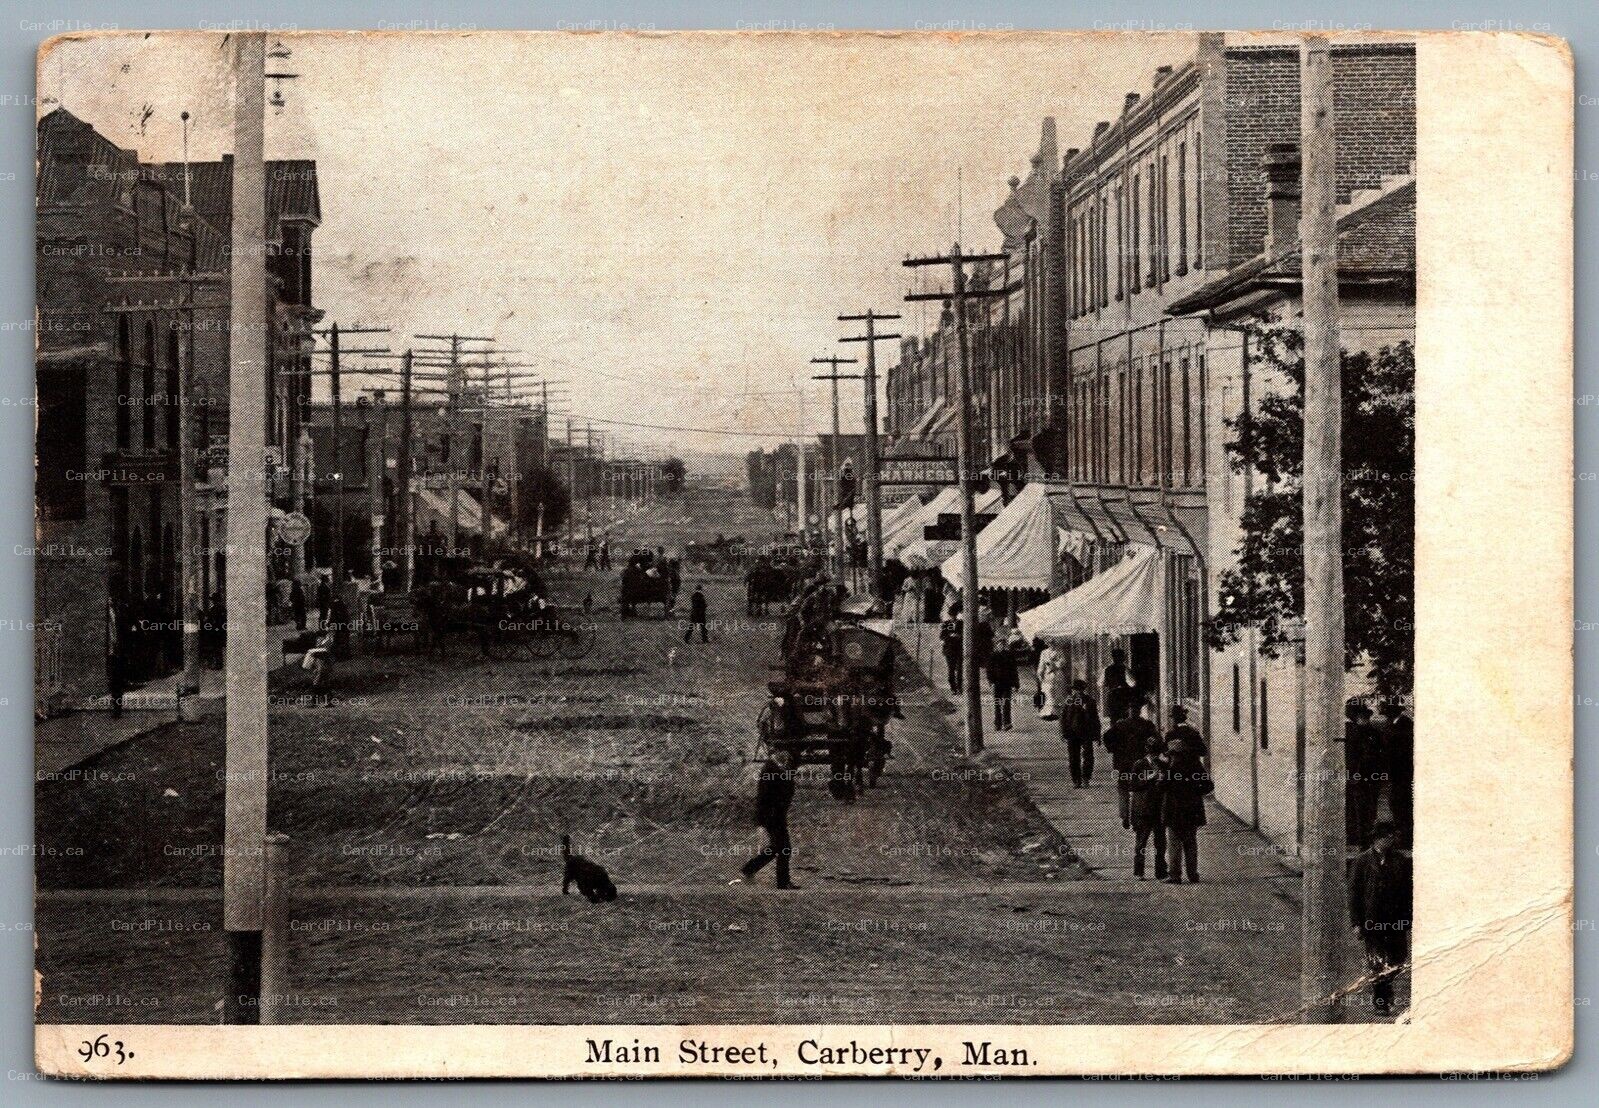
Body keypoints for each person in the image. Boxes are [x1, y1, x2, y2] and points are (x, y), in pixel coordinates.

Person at [1348, 820, 1411, 1015]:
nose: (1392, 840)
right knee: (1377, 962)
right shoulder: (1361, 861)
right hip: (1372, 921)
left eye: (1393, 837)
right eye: (1388, 837)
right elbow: (1354, 895)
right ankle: (1381, 1001)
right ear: (1378, 839)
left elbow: (1408, 892)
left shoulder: (1401, 860)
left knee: (1399, 959)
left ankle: (1387, 988)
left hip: (1395, 921)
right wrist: (1356, 923)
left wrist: (1407, 918)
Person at [737, 752, 798, 889]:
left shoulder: (776, 768)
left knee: (778, 847)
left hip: (775, 815)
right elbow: (767, 796)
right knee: (784, 848)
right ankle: (782, 882)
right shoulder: (771, 769)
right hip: (772, 816)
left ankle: (749, 869)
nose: (786, 757)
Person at [1160, 733, 1212, 884]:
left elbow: (1161, 787)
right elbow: (1208, 786)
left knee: (1174, 843)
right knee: (1190, 843)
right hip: (1192, 810)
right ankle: (1192, 874)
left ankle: (1175, 875)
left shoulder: (1171, 770)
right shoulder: (1195, 765)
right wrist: (1195, 793)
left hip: (1174, 810)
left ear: (1176, 755)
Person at [1104, 697, 1158, 829]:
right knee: (1139, 790)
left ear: (1129, 711)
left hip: (1123, 763)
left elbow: (1106, 737)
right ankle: (1135, 817)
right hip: (1141, 764)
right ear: (1139, 711)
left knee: (1123, 789)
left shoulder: (1120, 725)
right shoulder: (1147, 725)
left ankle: (1125, 816)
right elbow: (1156, 741)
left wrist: (1114, 749)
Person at [1126, 734, 1168, 880]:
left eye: (1157, 752)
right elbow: (1132, 785)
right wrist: (1150, 777)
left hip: (1158, 808)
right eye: (1152, 752)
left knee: (1161, 843)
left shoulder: (1163, 765)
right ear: (1147, 750)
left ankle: (1161, 871)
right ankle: (1139, 871)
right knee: (1141, 842)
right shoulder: (1139, 764)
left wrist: (1163, 780)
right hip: (1143, 809)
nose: (1155, 755)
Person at [1345, 700, 1382, 847]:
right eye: (1361, 716)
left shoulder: (1374, 733)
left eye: (1366, 716)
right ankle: (1356, 840)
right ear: (1354, 717)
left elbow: (1380, 754)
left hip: (1372, 778)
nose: (1365, 719)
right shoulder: (1349, 732)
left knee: (1369, 810)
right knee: (1354, 810)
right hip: (1355, 779)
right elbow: (1349, 757)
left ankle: (1367, 840)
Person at [1381, 701, 1414, 848]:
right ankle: (1401, 836)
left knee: (1402, 804)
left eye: (1387, 711)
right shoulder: (1392, 724)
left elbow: (1402, 750)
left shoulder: (1405, 725)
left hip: (1403, 772)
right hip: (1395, 772)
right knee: (1396, 803)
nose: (1385, 715)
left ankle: (1406, 839)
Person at [1060, 679, 1100, 788]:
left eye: (1080, 690)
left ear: (1083, 690)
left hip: (1086, 732)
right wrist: (1063, 732)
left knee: (1088, 756)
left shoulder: (1089, 701)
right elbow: (1063, 718)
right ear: (1073, 690)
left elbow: (1095, 718)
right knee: (1073, 757)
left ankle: (1086, 778)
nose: (1078, 692)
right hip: (1072, 733)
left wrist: (1097, 735)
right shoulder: (1069, 701)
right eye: (1076, 690)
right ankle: (1076, 780)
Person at [985, 635, 1019, 731]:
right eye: (999, 645)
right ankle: (997, 723)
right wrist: (991, 682)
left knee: (1006, 704)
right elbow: (989, 671)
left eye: (1003, 645)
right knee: (997, 704)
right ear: (996, 646)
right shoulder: (992, 656)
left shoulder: (1010, 656)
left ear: (1006, 646)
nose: (1002, 646)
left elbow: (1014, 671)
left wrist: (1016, 685)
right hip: (996, 683)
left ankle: (1007, 723)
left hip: (1007, 683)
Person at [104, 590, 127, 719]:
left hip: (116, 651)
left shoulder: (117, 611)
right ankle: (116, 707)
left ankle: (117, 708)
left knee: (117, 681)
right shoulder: (104, 614)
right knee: (113, 681)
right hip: (109, 651)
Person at [1165, 706, 1208, 770]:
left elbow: (1165, 755)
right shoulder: (1194, 733)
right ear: (1184, 719)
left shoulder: (1170, 735)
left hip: (1177, 769)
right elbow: (1203, 752)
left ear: (1174, 720)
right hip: (1194, 768)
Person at [1102, 647, 1135, 723]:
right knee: (1124, 719)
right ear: (1122, 658)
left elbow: (1101, 684)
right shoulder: (1125, 669)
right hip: (1123, 696)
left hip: (1112, 696)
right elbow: (1132, 683)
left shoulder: (1107, 669)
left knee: (1113, 720)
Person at [1035, 640, 1067, 720]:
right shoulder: (1044, 652)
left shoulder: (1059, 652)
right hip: (1048, 675)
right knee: (1049, 692)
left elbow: (1063, 662)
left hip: (1058, 674)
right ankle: (1048, 712)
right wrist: (1040, 674)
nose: (1051, 645)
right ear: (1047, 644)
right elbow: (1041, 664)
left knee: (1058, 693)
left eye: (1053, 643)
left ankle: (1057, 712)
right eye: (1049, 643)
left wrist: (1055, 664)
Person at [939, 609, 964, 694]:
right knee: (951, 669)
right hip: (949, 650)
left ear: (956, 615)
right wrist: (950, 636)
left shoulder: (961, 623)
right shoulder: (946, 624)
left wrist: (959, 636)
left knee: (960, 669)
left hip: (959, 649)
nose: (952, 617)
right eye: (951, 615)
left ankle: (960, 687)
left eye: (954, 615)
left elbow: (965, 635)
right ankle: (953, 688)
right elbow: (942, 636)